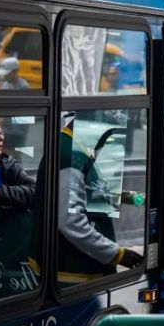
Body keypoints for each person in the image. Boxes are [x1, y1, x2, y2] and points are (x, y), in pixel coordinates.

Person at [53, 113, 143, 283]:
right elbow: (70, 221)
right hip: (74, 270)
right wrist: (117, 254)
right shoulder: (71, 155)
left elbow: (85, 191)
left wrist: (120, 196)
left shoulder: (79, 148)